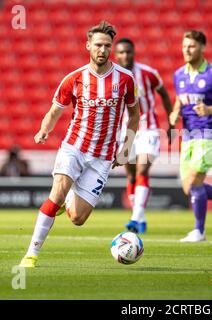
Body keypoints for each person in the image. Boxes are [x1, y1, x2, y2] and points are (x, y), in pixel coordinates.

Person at [19, 21, 139, 268]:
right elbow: (54, 112)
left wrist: (126, 147)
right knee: (57, 192)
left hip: (103, 156)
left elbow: (134, 114)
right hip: (74, 147)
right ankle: (31, 254)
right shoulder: (74, 79)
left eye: (107, 46)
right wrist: (44, 129)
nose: (102, 50)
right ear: (88, 46)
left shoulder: (126, 79)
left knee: (78, 218)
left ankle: (67, 201)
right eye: (98, 45)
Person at [170, 30, 212, 242]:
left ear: (202, 48)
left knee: (196, 180)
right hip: (187, 136)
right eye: (184, 46)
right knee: (189, 187)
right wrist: (174, 112)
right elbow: (180, 99)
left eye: (192, 46)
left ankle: (199, 230)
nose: (187, 50)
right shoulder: (178, 74)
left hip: (208, 133)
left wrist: (210, 110)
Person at [114, 38, 173, 234]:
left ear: (134, 52)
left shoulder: (148, 73)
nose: (125, 56)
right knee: (131, 176)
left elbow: (164, 94)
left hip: (149, 128)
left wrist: (171, 123)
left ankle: (135, 217)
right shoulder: (112, 76)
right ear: (116, 54)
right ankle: (140, 216)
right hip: (126, 131)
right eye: (121, 52)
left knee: (142, 170)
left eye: (128, 52)